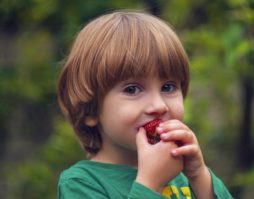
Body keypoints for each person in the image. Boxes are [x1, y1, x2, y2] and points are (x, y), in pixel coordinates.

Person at [57, 10, 233, 199]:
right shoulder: (81, 183)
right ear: (89, 110)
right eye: (132, 89)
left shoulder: (182, 175)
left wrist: (199, 174)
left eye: (168, 87)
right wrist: (150, 183)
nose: (159, 105)